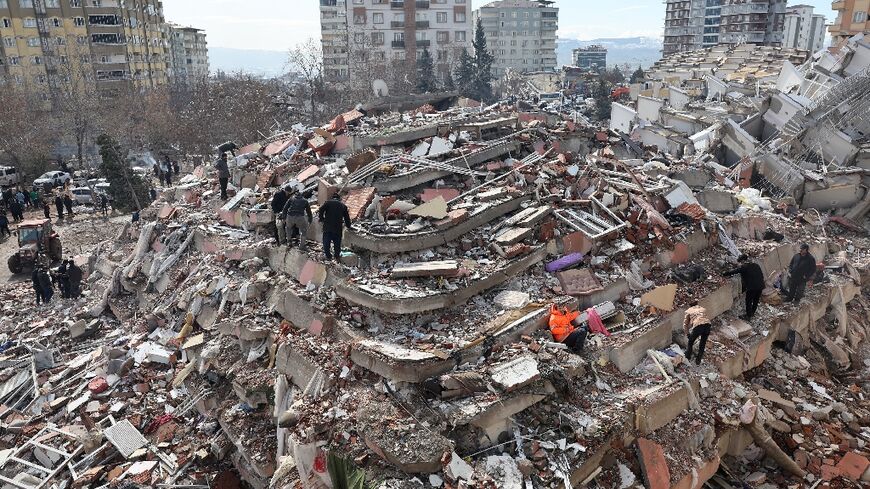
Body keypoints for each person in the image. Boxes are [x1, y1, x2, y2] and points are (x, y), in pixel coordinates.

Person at [723, 254, 765, 320]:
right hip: (760, 285)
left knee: (748, 300)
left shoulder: (744, 267)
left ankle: (748, 316)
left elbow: (735, 271)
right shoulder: (756, 265)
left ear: (742, 261)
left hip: (752, 287)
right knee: (756, 300)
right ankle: (752, 313)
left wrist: (724, 273)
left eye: (740, 262)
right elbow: (761, 275)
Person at [317, 193, 351, 263]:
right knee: (337, 244)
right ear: (339, 199)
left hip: (328, 227)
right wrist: (348, 226)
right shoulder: (343, 206)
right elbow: (347, 218)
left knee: (326, 243)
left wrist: (321, 218)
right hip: (337, 228)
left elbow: (321, 209)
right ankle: (337, 256)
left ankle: (328, 256)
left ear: (332, 198)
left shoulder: (328, 203)